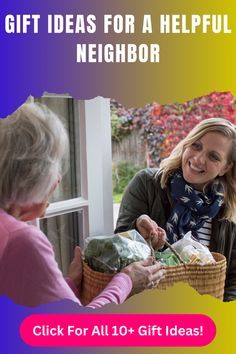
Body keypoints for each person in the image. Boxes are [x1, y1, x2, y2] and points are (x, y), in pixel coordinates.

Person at [0, 100, 165, 308]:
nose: (58, 179)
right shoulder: (22, 241)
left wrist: (67, 284)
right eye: (54, 164)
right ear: (30, 175)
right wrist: (127, 281)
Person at [115, 118, 236, 301]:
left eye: (213, 156)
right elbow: (117, 251)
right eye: (196, 146)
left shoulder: (229, 211)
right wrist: (138, 231)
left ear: (225, 167)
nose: (198, 159)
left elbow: (233, 279)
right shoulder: (147, 184)